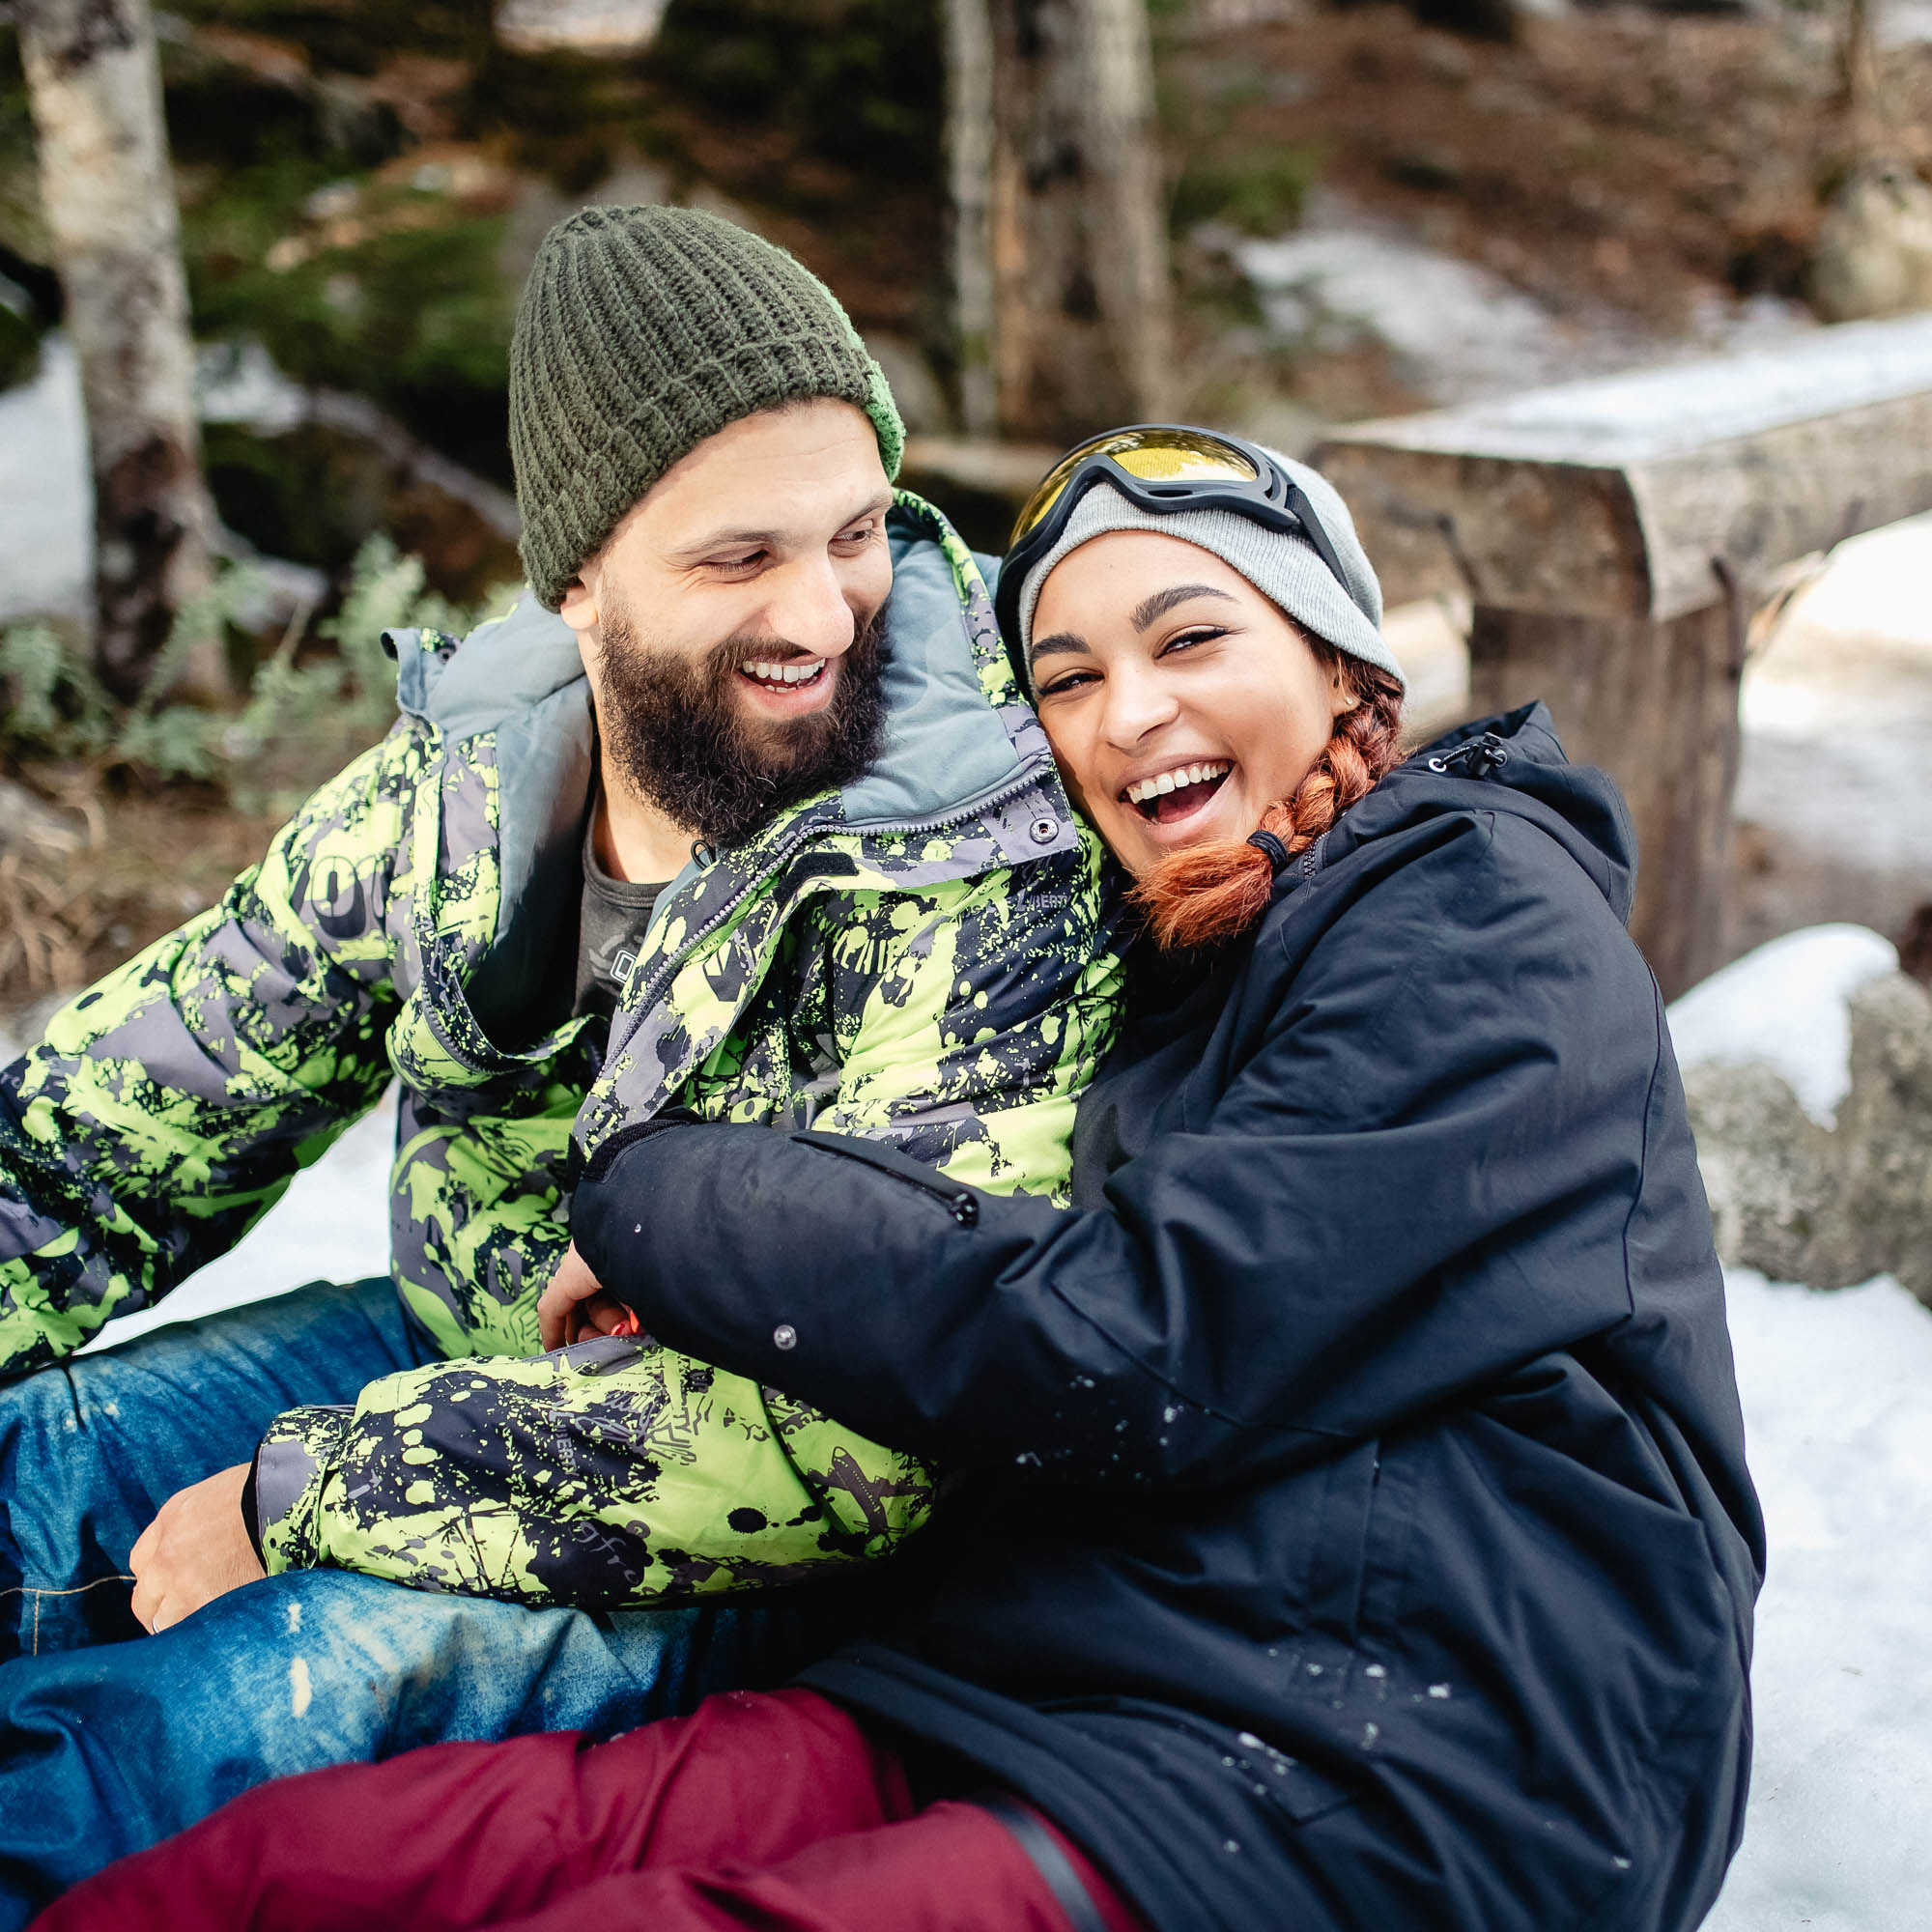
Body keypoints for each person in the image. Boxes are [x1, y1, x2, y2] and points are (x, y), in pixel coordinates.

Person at [34, 429, 1763, 1932]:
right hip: (1032, 1675)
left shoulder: (1471, 913)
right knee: (292, 1874)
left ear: (1344, 666)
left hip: (1401, 1747)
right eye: (1070, 673)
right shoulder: (1167, 963)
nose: (1127, 708)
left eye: (1190, 635)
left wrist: (656, 1197)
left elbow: (1128, 1343)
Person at [0, 209, 1118, 1922]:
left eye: (853, 534)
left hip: (754, 1517)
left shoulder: (973, 852)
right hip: (450, 1357)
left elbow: (856, 1435)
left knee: (208, 1718)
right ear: (579, 577)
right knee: (35, 1474)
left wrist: (309, 1492)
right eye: (738, 559)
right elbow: (104, 1133)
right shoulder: (458, 790)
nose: (823, 611)